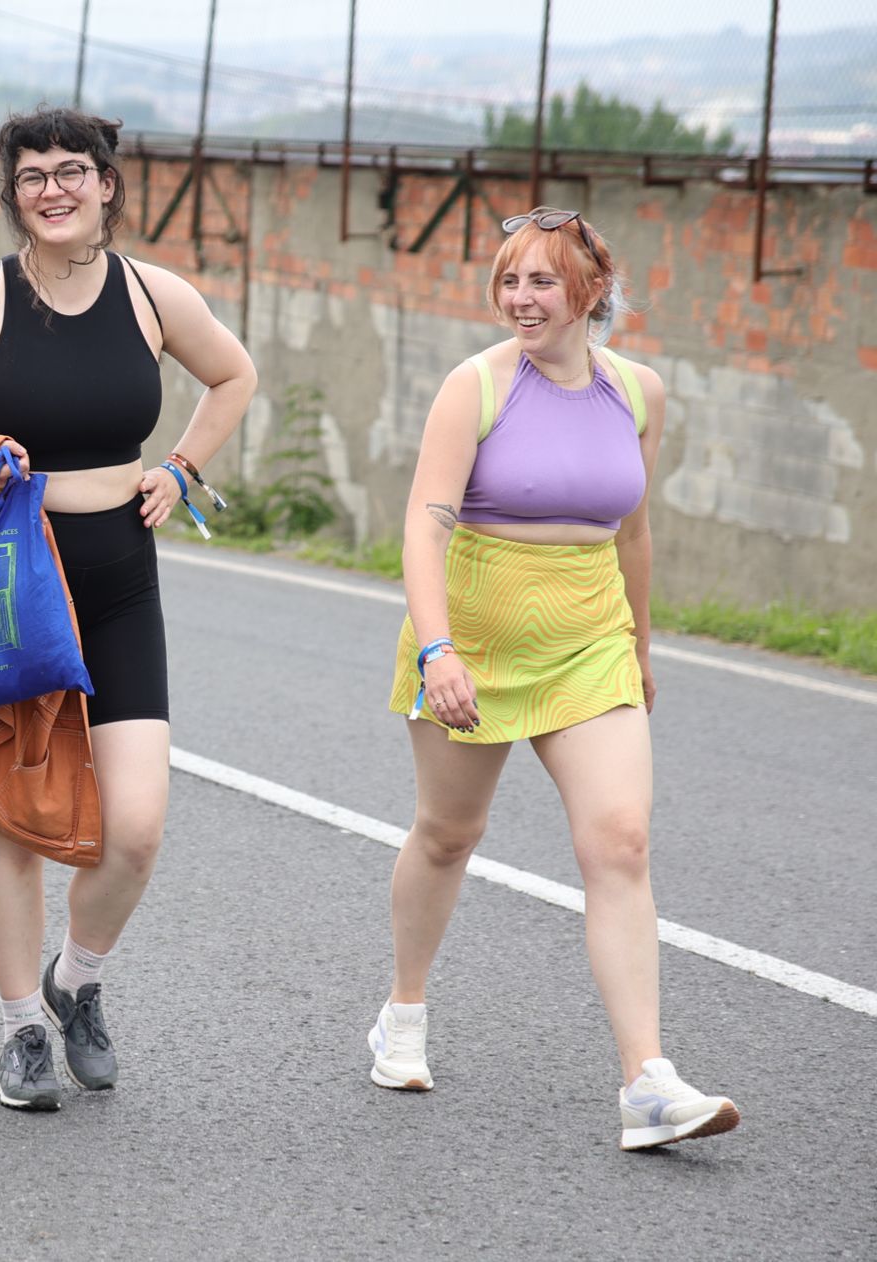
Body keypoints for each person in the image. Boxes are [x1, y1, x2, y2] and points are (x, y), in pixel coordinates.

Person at [0, 107, 255, 1110]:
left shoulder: (150, 293)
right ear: (11, 195)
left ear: (106, 185)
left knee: (132, 827)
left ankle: (74, 980)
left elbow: (231, 374)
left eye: (72, 171)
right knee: (14, 821)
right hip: (16, 578)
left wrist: (180, 466)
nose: (53, 188)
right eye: (32, 175)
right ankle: (17, 1031)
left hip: (120, 575)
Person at [372, 207, 740, 1151]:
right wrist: (436, 649)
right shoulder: (476, 386)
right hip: (472, 636)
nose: (521, 299)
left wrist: (643, 646)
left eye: (542, 281)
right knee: (450, 834)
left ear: (591, 292)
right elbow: (425, 522)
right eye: (509, 280)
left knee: (619, 842)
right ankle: (404, 1009)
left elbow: (635, 531)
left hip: (590, 638)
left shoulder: (640, 391)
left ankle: (647, 1084)